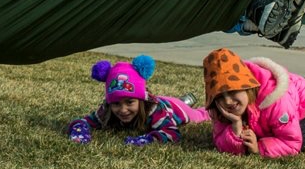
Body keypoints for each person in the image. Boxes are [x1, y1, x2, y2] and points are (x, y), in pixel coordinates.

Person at [202, 47, 305, 158]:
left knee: (304, 141)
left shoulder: (276, 99)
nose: (228, 101)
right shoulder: (219, 108)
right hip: (264, 114)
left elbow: (291, 143)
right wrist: (236, 126)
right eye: (220, 96)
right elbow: (220, 142)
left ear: (247, 87)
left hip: (301, 100)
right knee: (265, 130)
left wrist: (258, 148)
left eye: (232, 91)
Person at [68, 55, 209, 146]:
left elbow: (172, 133)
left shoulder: (155, 111)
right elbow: (83, 121)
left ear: (141, 101)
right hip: (157, 100)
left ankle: (187, 103)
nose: (123, 110)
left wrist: (146, 139)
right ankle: (185, 100)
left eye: (129, 102)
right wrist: (79, 132)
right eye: (116, 103)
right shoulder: (107, 109)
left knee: (200, 114)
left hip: (174, 108)